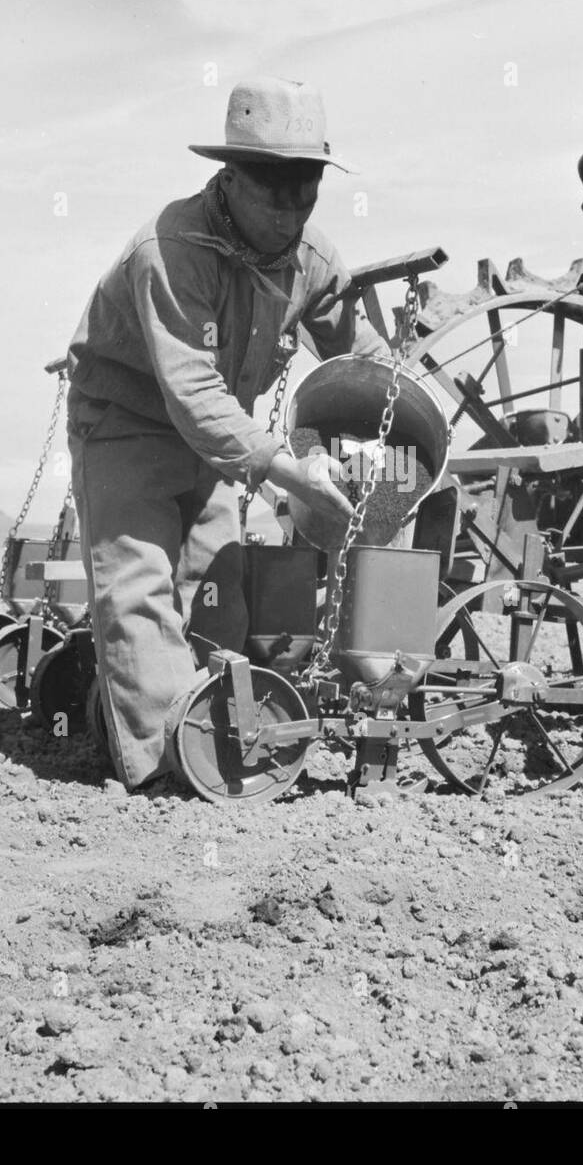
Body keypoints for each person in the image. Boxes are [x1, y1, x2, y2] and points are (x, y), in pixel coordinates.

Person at [65, 77, 388, 791]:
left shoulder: (312, 260)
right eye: (272, 188)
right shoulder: (171, 252)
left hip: (218, 445)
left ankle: (222, 733)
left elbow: (357, 356)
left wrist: (395, 410)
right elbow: (194, 394)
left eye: (305, 188)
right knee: (140, 592)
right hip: (125, 425)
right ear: (230, 176)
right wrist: (286, 466)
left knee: (219, 595)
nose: (290, 208)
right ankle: (167, 775)